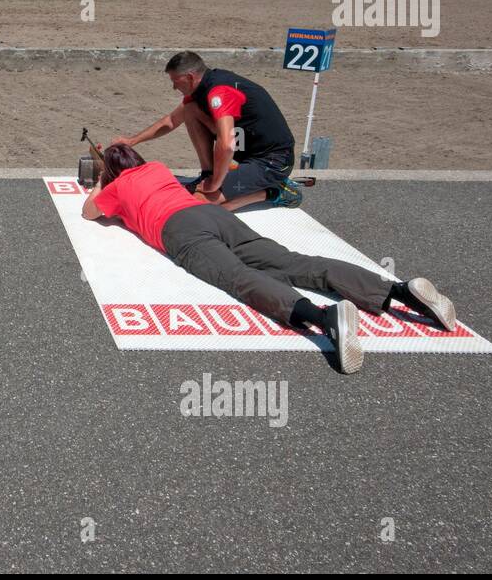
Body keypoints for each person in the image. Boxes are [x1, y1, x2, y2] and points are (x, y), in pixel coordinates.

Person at [82, 143, 456, 374]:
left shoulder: (115, 188)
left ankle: (324, 317)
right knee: (294, 261)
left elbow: (89, 212)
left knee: (238, 278)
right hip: (212, 216)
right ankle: (400, 291)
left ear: (113, 171)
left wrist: (103, 181)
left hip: (179, 230)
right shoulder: (159, 168)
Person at [115, 50, 303, 211]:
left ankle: (275, 191)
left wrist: (215, 183)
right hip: (249, 149)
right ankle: (208, 172)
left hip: (274, 160)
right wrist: (132, 141)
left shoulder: (219, 92)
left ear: (189, 77)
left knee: (200, 204)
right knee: (190, 109)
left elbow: (227, 144)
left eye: (175, 81)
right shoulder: (200, 89)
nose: (174, 87)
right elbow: (171, 121)